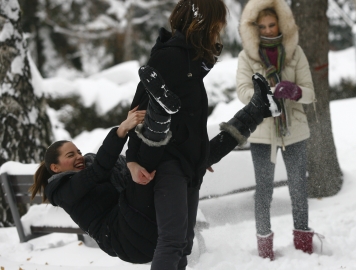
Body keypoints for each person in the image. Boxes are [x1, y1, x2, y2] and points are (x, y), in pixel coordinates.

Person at [30, 0, 282, 268]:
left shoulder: (88, 166)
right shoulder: (64, 189)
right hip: (124, 234)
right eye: (71, 155)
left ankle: (257, 109)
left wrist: (186, 157)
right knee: (153, 182)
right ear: (55, 167)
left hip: (135, 217)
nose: (79, 156)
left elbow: (112, 167)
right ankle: (159, 114)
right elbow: (101, 170)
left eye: (77, 151)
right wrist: (124, 139)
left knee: (193, 181)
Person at [236, 0, 316, 260]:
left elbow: (310, 93)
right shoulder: (247, 56)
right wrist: (266, 94)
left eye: (272, 25)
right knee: (264, 191)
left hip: (294, 128)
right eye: (262, 27)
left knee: (298, 188)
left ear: (281, 23)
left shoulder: (295, 52)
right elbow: (242, 92)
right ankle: (264, 249)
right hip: (262, 130)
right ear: (254, 29)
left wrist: (295, 90)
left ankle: (304, 242)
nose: (269, 30)